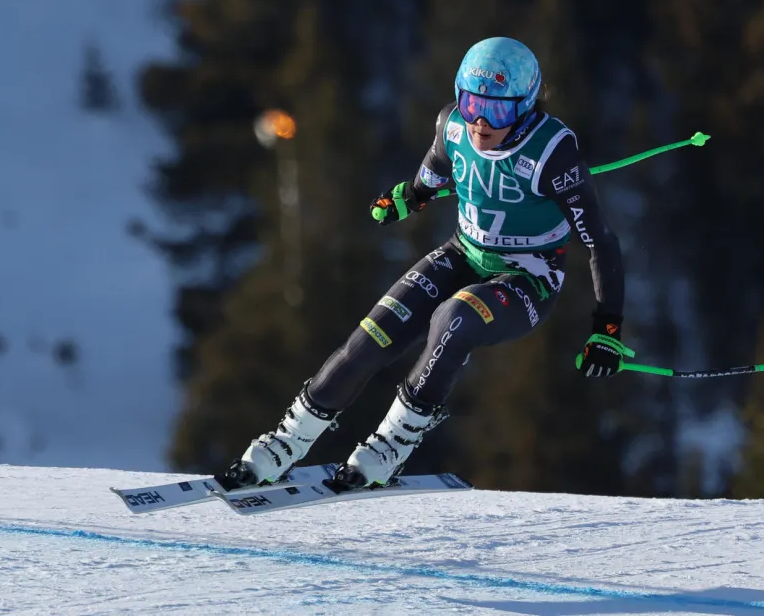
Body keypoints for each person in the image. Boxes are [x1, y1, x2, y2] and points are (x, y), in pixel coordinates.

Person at [217, 36, 630, 492]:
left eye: (497, 111)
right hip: (462, 253)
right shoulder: (451, 125)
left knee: (454, 318)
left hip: (527, 278)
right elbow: (434, 170)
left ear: (527, 105)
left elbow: (602, 243)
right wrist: (409, 199)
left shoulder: (553, 153)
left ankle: (391, 445)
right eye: (472, 103)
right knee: (369, 340)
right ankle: (284, 444)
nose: (479, 122)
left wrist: (606, 329)